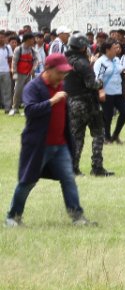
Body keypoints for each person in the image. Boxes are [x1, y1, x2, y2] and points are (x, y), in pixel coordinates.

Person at [6, 53, 94, 227]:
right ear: (48, 69)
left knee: (68, 178)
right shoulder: (34, 87)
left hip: (59, 145)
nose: (63, 76)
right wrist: (51, 101)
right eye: (60, 72)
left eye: (65, 73)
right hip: (38, 145)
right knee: (28, 180)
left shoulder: (60, 85)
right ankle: (12, 217)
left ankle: (77, 216)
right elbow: (30, 111)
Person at [64, 34, 111, 177]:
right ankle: (97, 167)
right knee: (98, 133)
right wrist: (100, 82)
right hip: (87, 102)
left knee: (76, 136)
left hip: (71, 102)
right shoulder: (82, 63)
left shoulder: (65, 60)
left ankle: (73, 168)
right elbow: (91, 84)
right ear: (83, 47)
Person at [93, 41, 125, 142]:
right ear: (107, 50)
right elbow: (99, 78)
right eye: (114, 48)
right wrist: (101, 90)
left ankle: (116, 135)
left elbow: (121, 70)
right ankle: (106, 137)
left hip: (118, 91)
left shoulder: (116, 60)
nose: (116, 50)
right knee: (107, 116)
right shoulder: (101, 62)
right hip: (107, 92)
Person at [9, 33, 38, 115]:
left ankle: (26, 108)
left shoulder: (32, 50)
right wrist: (14, 72)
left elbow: (36, 60)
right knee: (17, 91)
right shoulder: (19, 49)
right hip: (19, 74)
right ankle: (15, 108)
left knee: (28, 91)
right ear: (27, 40)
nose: (33, 41)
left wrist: (34, 69)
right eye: (32, 39)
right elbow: (14, 62)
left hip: (28, 74)